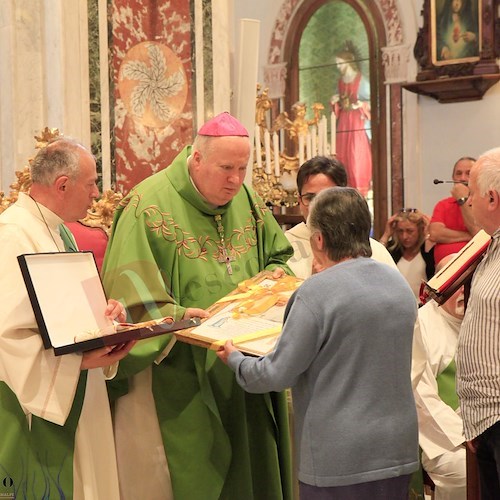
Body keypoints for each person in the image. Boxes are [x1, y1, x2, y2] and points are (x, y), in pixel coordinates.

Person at [102, 112, 295, 500]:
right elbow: (126, 297)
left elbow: (279, 259)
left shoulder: (247, 199)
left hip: (249, 356)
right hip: (182, 364)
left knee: (254, 464)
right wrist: (175, 318)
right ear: (196, 158)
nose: (235, 180)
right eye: (226, 168)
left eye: (243, 168)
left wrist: (268, 286)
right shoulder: (147, 206)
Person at [217, 187, 419, 499]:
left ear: (319, 240)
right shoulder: (398, 285)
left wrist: (235, 359)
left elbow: (275, 374)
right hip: (396, 448)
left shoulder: (316, 292)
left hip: (339, 457)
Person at [0, 138, 135, 499]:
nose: (96, 194)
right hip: (43, 402)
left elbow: (69, 311)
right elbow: (7, 335)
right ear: (63, 185)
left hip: (78, 389)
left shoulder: (58, 229)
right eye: (91, 183)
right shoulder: (13, 235)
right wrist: (78, 363)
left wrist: (107, 315)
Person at [456, 146, 500, 498]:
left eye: (470, 193)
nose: (467, 202)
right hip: (486, 417)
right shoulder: (490, 246)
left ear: (491, 197)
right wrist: (474, 415)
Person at [285, 155, 396, 279]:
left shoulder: (375, 250)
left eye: (327, 197)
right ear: (299, 201)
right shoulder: (283, 247)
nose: (317, 206)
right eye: (310, 198)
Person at [412, 255, 466, 500]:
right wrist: (466, 436)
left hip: (482, 425)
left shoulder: (483, 319)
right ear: (440, 285)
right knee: (464, 470)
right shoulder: (422, 325)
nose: (465, 291)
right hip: (440, 436)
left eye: (470, 282)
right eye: (458, 283)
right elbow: (422, 399)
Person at [331, 44, 372, 196]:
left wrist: (362, 104)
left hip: (356, 122)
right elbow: (337, 101)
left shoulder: (361, 80)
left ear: (348, 62)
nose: (338, 66)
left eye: (340, 63)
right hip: (343, 121)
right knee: (343, 155)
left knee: (356, 155)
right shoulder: (340, 81)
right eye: (337, 64)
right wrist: (335, 101)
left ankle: (359, 189)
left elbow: (372, 102)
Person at [429, 156, 480, 265]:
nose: (462, 178)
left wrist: (462, 200)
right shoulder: (443, 204)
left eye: (468, 173)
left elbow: (477, 232)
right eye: (458, 173)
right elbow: (435, 233)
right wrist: (469, 236)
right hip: (443, 272)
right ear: (452, 177)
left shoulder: (483, 203)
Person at [380, 208, 435, 301]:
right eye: (400, 231)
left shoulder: (427, 251)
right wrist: (386, 234)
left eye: (410, 231)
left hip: (424, 306)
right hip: (397, 305)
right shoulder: (393, 251)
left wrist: (428, 233)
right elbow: (376, 259)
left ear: (420, 230)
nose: (404, 236)